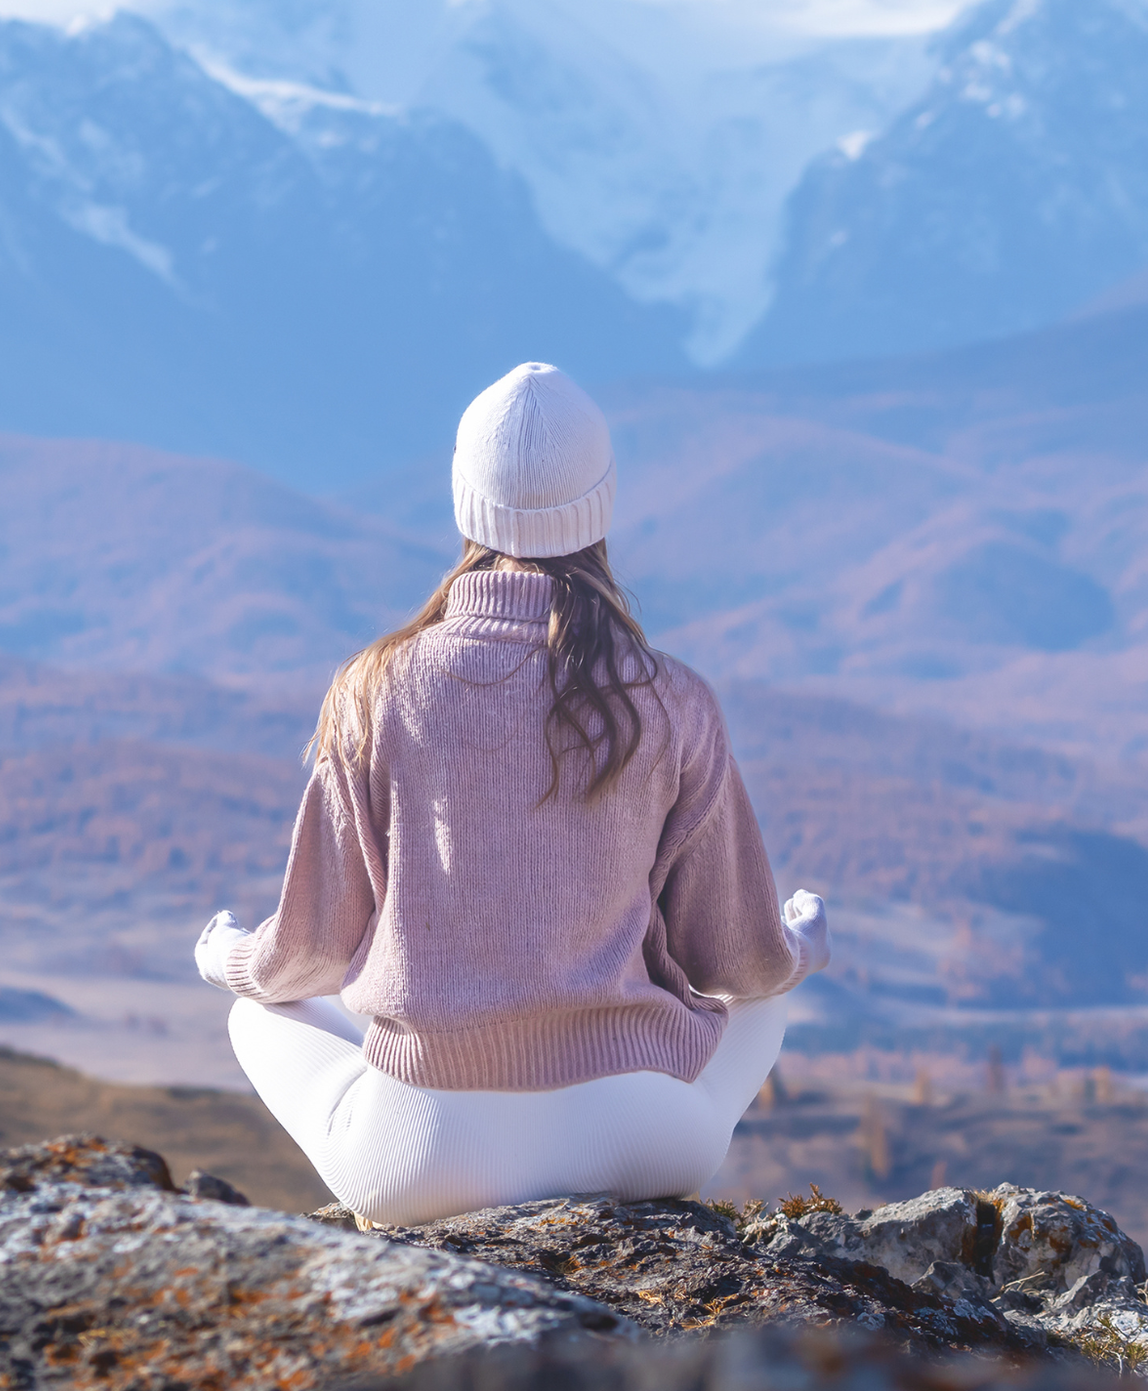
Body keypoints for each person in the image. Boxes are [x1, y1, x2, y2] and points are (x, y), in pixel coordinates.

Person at [194, 362, 829, 1228]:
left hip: (423, 1157)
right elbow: (738, 964)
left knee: (258, 1015)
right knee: (769, 995)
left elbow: (305, 956)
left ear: (464, 500)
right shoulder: (673, 698)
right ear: (602, 506)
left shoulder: (375, 690)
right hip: (642, 1138)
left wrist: (224, 956)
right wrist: (800, 943)